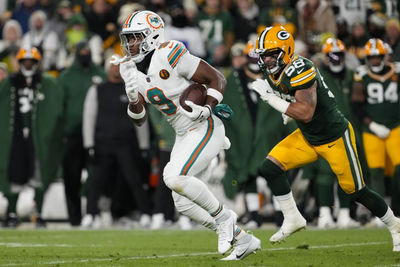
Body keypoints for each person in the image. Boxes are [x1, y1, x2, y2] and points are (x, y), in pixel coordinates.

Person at [114, 10, 260, 260]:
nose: (130, 44)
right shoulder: (129, 68)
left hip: (205, 126)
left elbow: (217, 79)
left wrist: (207, 107)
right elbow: (139, 120)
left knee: (173, 176)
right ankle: (242, 238)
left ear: (152, 36)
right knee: (182, 203)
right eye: (128, 38)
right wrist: (131, 98)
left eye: (136, 37)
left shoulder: (169, 53)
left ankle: (224, 218)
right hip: (183, 133)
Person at [250, 26, 400, 252]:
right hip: (308, 136)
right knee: (270, 167)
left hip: (334, 136)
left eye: (271, 54)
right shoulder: (274, 71)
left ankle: (395, 225)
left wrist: (272, 99)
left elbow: (306, 112)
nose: (267, 59)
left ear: (286, 51)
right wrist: (284, 109)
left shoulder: (301, 68)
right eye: (263, 55)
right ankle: (292, 218)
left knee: (356, 191)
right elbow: (293, 99)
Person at [81, 54, 152, 228]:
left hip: (125, 143)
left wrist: (144, 145)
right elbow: (88, 117)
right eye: (112, 65)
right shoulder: (97, 89)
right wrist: (88, 144)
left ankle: (146, 214)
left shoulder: (131, 89)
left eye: (118, 65)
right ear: (107, 68)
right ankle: (90, 214)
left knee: (134, 180)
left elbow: (140, 118)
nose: (115, 69)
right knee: (96, 181)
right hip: (103, 142)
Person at [302, 38, 363, 229]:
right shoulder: (317, 75)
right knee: (324, 173)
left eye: (339, 54)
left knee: (345, 172)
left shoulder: (354, 75)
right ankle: (324, 214)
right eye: (332, 55)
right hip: (325, 129)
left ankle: (344, 214)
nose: (336, 58)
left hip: (348, 129)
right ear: (326, 56)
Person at [0, 47, 64, 227]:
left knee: (39, 173)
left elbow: (55, 110)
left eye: (31, 61)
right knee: (14, 173)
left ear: (37, 63)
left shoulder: (48, 83)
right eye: (25, 61)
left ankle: (39, 212)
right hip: (16, 136)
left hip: (38, 137)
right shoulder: (9, 83)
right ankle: (12, 212)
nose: (28, 65)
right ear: (19, 63)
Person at [351, 38, 400, 220]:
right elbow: (356, 105)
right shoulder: (361, 74)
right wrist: (371, 124)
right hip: (371, 129)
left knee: (399, 169)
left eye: (378, 56)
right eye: (371, 57)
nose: (374, 60)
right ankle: (383, 214)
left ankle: (397, 208)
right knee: (376, 172)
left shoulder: (396, 70)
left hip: (396, 126)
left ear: (384, 55)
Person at [59, 40, 106, 226]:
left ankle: (93, 213)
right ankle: (75, 218)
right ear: (77, 53)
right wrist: (63, 131)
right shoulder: (66, 77)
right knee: (71, 177)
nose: (85, 53)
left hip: (97, 133)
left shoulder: (100, 74)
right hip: (72, 134)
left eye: (88, 50)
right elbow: (59, 107)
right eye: (82, 51)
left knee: (97, 175)